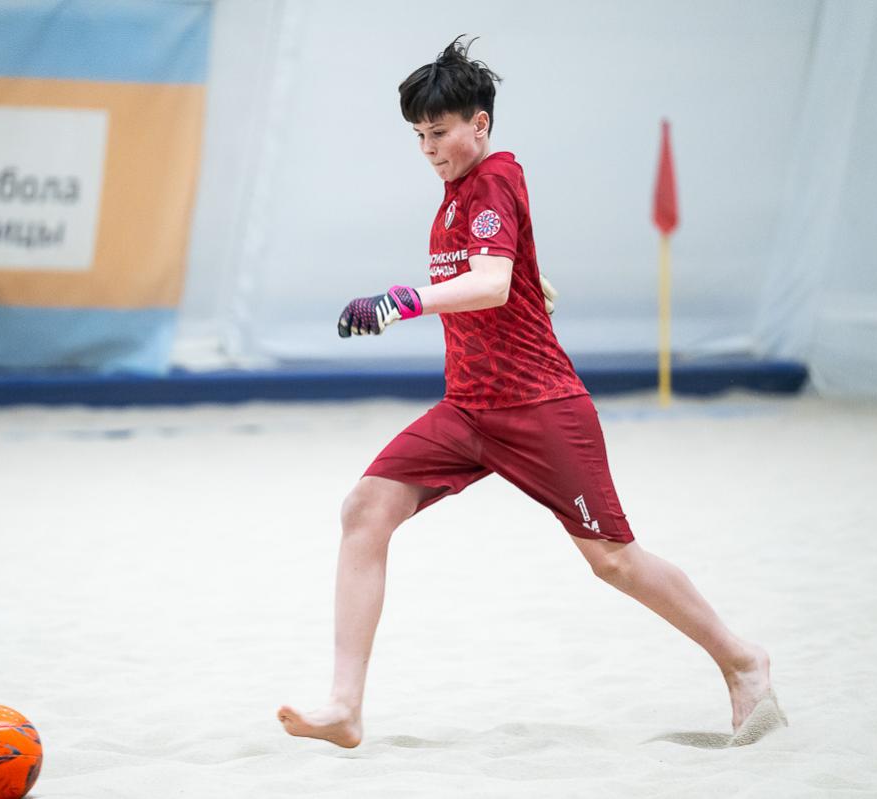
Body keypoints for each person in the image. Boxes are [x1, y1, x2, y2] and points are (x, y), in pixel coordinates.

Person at [277, 36, 780, 749]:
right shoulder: (458, 194)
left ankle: (742, 659)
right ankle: (344, 706)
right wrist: (527, 278)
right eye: (418, 135)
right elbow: (501, 271)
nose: (428, 148)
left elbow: (488, 283)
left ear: (479, 123)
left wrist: (401, 300)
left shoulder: (492, 178)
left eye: (439, 132)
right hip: (467, 409)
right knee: (364, 509)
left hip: (539, 407)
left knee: (613, 560)